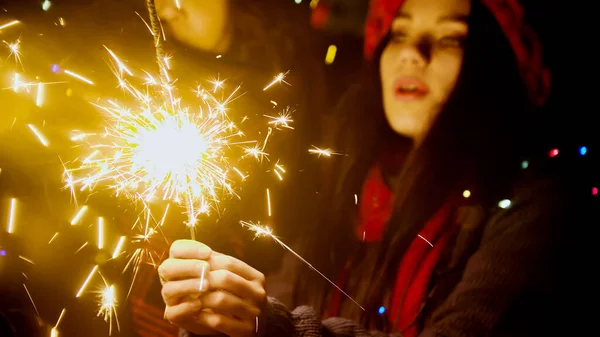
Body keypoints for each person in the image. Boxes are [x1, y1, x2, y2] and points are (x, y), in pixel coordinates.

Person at [157, 0, 571, 336]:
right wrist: (219, 322)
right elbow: (282, 288)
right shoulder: (346, 177)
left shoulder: (534, 203)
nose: (412, 52)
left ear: (496, 60)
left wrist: (275, 328)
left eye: (450, 38)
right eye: (401, 32)